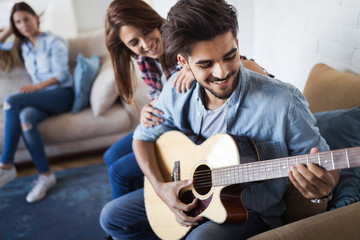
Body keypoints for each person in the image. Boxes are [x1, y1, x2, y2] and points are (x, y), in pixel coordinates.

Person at [99, 0, 340, 239]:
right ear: (183, 62)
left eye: (229, 56)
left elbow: (328, 168)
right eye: (205, 64)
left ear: (237, 43)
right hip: (191, 192)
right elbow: (142, 138)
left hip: (249, 211)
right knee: (112, 218)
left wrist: (322, 190)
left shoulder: (285, 102)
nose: (222, 72)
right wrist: (162, 189)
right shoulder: (176, 89)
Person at [102, 0, 270, 199]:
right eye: (134, 42)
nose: (146, 44)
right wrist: (149, 107)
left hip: (187, 132)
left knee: (120, 171)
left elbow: (242, 67)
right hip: (167, 123)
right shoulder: (144, 61)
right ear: (126, 47)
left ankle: (138, 213)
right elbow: (160, 98)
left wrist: (199, 69)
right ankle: (148, 202)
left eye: (146, 31)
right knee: (110, 156)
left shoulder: (186, 44)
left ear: (152, 20)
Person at [0, 2, 74, 203]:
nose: (23, 24)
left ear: (36, 18)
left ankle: (6, 165)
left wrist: (37, 87)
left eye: (26, 18)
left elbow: (62, 74)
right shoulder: (23, 46)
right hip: (42, 100)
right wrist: (10, 28)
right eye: (18, 22)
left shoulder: (54, 41)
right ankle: (46, 176)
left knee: (12, 101)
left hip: (61, 95)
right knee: (25, 118)